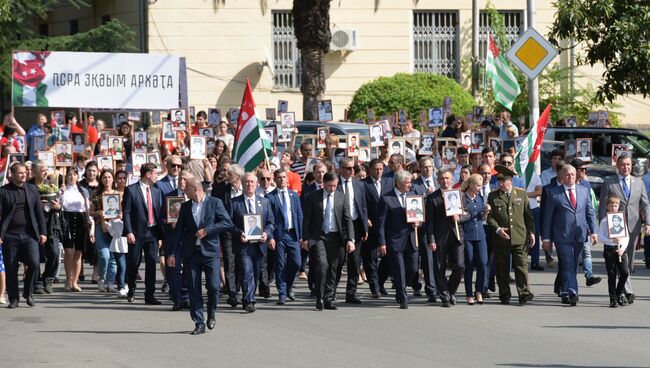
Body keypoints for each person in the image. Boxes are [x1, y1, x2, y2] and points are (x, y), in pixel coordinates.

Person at [168, 176, 234, 334]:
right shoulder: (185, 207)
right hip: (191, 253)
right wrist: (172, 253)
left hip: (210, 251)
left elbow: (227, 223)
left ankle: (211, 313)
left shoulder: (215, 203)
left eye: (187, 188)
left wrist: (207, 230)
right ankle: (199, 322)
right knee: (193, 288)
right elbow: (178, 232)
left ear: (196, 189)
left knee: (213, 286)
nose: (184, 190)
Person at [598, 152, 650, 304]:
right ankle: (626, 292)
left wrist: (647, 223)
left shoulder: (638, 182)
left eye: (628, 164)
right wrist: (604, 224)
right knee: (617, 260)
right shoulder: (609, 182)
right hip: (615, 227)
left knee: (629, 261)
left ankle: (622, 290)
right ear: (617, 166)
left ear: (631, 166)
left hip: (633, 226)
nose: (625, 167)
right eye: (622, 164)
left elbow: (645, 204)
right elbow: (602, 206)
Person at [543, 165, 598, 306]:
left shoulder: (584, 191)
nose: (571, 177)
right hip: (561, 235)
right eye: (567, 175)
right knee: (567, 262)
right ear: (562, 176)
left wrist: (594, 231)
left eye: (573, 174)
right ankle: (573, 291)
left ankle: (566, 291)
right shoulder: (554, 193)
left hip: (579, 234)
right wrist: (546, 238)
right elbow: (548, 217)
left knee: (573, 264)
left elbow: (590, 212)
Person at [301, 171, 354, 310]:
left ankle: (329, 298)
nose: (332, 188)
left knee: (333, 268)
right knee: (322, 265)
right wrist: (305, 238)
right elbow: (307, 219)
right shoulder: (313, 197)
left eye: (335, 186)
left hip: (336, 237)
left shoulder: (341, 197)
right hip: (318, 236)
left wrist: (350, 239)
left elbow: (347, 218)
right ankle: (319, 296)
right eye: (329, 185)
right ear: (323, 184)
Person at [487, 165, 536, 305]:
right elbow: (490, 218)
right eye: (499, 180)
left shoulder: (521, 194)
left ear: (510, 180)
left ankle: (524, 293)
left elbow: (528, 216)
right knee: (502, 267)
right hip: (501, 238)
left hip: (519, 236)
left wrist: (531, 232)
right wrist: (497, 229)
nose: (500, 183)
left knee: (521, 266)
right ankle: (504, 293)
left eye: (503, 181)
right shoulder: (493, 196)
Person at [0, 163, 47, 308]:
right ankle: (14, 298)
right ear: (12, 174)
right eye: (20, 173)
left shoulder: (32, 189)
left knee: (34, 262)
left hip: (29, 234)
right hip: (9, 235)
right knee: (11, 267)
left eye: (25, 172)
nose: (24, 175)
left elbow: (39, 212)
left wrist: (43, 232)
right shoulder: (3, 191)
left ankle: (28, 292)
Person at [229, 173, 274, 313]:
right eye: (246, 182)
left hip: (259, 245)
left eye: (252, 182)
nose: (249, 184)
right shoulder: (234, 202)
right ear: (242, 184)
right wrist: (239, 233)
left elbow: (271, 222)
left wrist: (267, 233)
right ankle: (250, 300)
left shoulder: (265, 202)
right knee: (246, 271)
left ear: (256, 184)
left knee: (255, 272)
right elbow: (228, 223)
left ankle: (248, 297)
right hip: (243, 245)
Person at [123, 163, 164, 304]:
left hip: (152, 232)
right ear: (148, 174)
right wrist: (128, 231)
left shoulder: (157, 192)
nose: (157, 176)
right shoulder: (131, 190)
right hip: (136, 232)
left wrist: (160, 235)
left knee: (152, 263)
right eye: (155, 173)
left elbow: (159, 213)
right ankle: (132, 289)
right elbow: (126, 212)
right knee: (134, 262)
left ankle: (150, 294)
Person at [426, 168, 467, 307]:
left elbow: (467, 213)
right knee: (439, 267)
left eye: (447, 178)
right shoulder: (432, 198)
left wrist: (459, 217)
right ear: (438, 180)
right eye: (442, 178)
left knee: (460, 266)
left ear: (452, 179)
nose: (445, 181)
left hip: (456, 235)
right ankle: (445, 296)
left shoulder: (460, 194)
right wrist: (431, 239)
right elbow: (429, 221)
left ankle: (450, 290)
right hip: (440, 237)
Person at [377, 170, 418, 309]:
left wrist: (418, 222)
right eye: (407, 183)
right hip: (394, 240)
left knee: (412, 268)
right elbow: (381, 223)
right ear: (399, 183)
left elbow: (419, 216)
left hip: (411, 238)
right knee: (399, 269)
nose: (410, 185)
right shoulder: (386, 198)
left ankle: (402, 287)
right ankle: (402, 296)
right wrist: (382, 242)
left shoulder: (413, 196)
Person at [266, 169, 303, 305]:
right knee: (280, 265)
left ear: (287, 179)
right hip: (279, 235)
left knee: (296, 262)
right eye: (279, 178)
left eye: (284, 177)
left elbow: (299, 215)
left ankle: (288, 286)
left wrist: (301, 235)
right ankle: (282, 293)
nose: (282, 180)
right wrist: (270, 237)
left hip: (293, 234)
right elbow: (269, 219)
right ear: (275, 180)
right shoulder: (270, 197)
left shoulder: (294, 195)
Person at [336, 158, 368, 304]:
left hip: (355, 226)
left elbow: (363, 207)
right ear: (341, 169)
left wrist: (365, 228)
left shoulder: (359, 185)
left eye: (353, 168)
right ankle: (331, 291)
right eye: (348, 168)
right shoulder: (335, 184)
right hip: (339, 227)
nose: (351, 171)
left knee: (355, 262)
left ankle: (351, 293)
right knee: (338, 260)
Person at [211, 163, 243, 307]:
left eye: (229, 173)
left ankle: (237, 287)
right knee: (229, 261)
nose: (226, 175)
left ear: (237, 176)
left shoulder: (247, 189)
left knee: (241, 261)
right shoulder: (219, 189)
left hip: (244, 231)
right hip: (227, 231)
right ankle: (232, 293)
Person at [363, 159, 394, 298]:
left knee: (388, 256)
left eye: (381, 169)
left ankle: (380, 282)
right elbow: (361, 204)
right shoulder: (363, 184)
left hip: (387, 225)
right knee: (370, 259)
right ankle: (374, 288)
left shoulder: (389, 182)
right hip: (370, 226)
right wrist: (365, 219)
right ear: (370, 170)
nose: (379, 172)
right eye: (376, 169)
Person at [60, 167, 93, 292]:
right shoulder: (62, 190)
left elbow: (88, 210)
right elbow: (59, 204)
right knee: (69, 252)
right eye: (69, 174)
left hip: (81, 220)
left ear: (78, 176)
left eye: (74, 175)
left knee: (78, 253)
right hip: (67, 218)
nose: (72, 177)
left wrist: (92, 227)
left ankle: (75, 281)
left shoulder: (83, 191)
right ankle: (68, 279)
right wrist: (60, 193)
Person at [460, 174, 489, 305]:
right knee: (469, 264)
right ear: (471, 185)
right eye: (477, 185)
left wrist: (486, 211)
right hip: (468, 235)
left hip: (480, 234)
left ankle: (479, 290)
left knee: (483, 263)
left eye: (480, 185)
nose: (479, 188)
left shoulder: (480, 197)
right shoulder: (463, 198)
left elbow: (482, 218)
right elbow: (462, 216)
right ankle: (469, 293)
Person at [597, 195, 630, 308]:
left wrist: (622, 248)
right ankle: (613, 298)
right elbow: (600, 238)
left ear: (618, 206)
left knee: (625, 272)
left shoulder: (621, 219)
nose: (613, 208)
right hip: (609, 249)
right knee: (612, 275)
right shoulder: (604, 221)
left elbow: (626, 237)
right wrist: (611, 239)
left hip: (620, 249)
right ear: (607, 207)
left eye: (615, 206)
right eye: (611, 206)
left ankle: (618, 292)